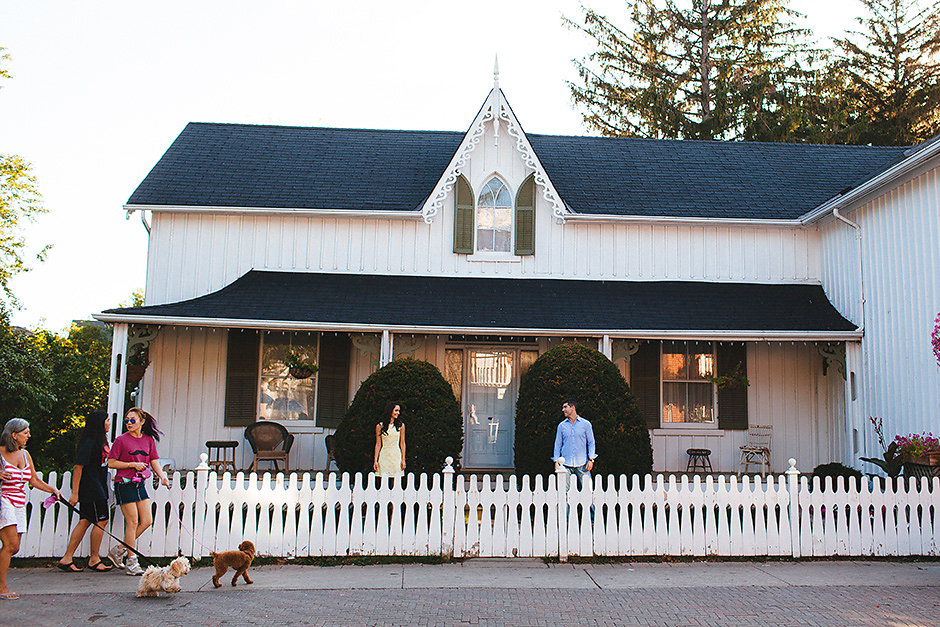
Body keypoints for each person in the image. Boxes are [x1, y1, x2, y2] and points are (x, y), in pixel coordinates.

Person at [0, 418, 61, 599]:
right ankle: (2, 588)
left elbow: (33, 480)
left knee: (15, 547)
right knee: (9, 545)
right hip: (4, 501)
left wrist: (53, 490)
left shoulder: (26, 455)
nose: (29, 435)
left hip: (19, 503)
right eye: (25, 432)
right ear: (14, 435)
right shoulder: (0, 453)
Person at [106, 407, 169, 576]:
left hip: (139, 484)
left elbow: (153, 460)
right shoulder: (121, 440)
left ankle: (119, 550)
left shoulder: (148, 440)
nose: (129, 423)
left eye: (132, 420)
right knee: (132, 522)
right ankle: (132, 562)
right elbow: (111, 462)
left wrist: (162, 476)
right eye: (127, 420)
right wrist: (131, 465)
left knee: (147, 520)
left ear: (142, 422)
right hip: (124, 483)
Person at [57, 410, 113, 573]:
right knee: (101, 520)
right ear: (99, 423)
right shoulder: (89, 442)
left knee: (85, 520)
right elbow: (78, 467)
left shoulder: (100, 440)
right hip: (91, 487)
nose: (109, 423)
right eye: (107, 420)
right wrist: (75, 493)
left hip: (99, 485)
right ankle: (94, 559)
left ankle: (67, 558)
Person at [552, 398, 597, 490]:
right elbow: (558, 444)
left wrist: (591, 459)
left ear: (572, 407)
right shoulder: (561, 426)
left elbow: (591, 442)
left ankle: (588, 505)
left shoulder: (586, 424)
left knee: (587, 490)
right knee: (564, 491)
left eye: (565, 407)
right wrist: (556, 461)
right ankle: (565, 505)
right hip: (565, 465)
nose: (563, 410)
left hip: (583, 464)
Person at [373, 402, 406, 479]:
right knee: (383, 480)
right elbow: (378, 444)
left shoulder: (401, 426)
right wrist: (375, 460)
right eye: (396, 410)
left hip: (396, 456)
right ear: (390, 411)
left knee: (396, 480)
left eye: (399, 411)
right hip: (384, 455)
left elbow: (402, 443)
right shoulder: (380, 426)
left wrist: (403, 459)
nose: (398, 413)